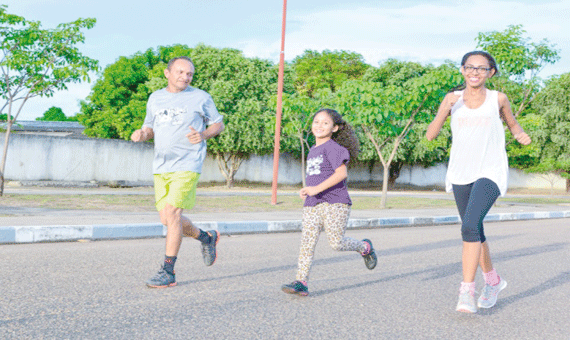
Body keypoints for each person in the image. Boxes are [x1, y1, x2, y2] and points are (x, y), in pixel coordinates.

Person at [426, 51, 531, 313]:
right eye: (470, 67)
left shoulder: (499, 99)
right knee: (474, 230)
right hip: (461, 172)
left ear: (490, 73)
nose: (475, 72)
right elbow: (430, 135)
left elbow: (512, 123)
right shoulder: (452, 99)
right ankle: (493, 281)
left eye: (481, 68)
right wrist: (444, 109)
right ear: (462, 70)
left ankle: (466, 292)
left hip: (491, 170)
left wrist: (519, 134)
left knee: (470, 225)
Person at [131, 56, 224, 288]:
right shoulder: (155, 98)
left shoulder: (200, 97)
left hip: (188, 163)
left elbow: (218, 124)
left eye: (189, 74)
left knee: (172, 214)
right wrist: (143, 134)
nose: (185, 77)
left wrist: (203, 135)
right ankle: (207, 237)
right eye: (180, 72)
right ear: (167, 73)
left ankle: (168, 271)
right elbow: (149, 127)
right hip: (161, 166)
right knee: (167, 220)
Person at [281, 108, 378, 296]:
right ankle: (301, 281)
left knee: (336, 243)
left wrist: (316, 189)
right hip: (313, 203)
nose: (319, 126)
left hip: (335, 202)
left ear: (335, 128)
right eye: (316, 121)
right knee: (307, 243)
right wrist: (308, 191)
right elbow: (317, 176)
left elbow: (341, 174)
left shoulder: (334, 148)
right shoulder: (313, 151)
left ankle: (365, 248)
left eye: (325, 123)